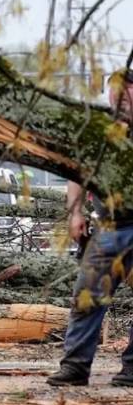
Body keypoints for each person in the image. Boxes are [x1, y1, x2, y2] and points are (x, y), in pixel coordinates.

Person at [48, 69, 133, 387]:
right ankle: (75, 367)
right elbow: (76, 171)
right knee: (87, 295)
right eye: (114, 93)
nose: (118, 99)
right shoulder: (99, 131)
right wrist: (75, 213)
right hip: (109, 226)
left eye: (125, 93)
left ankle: (132, 369)